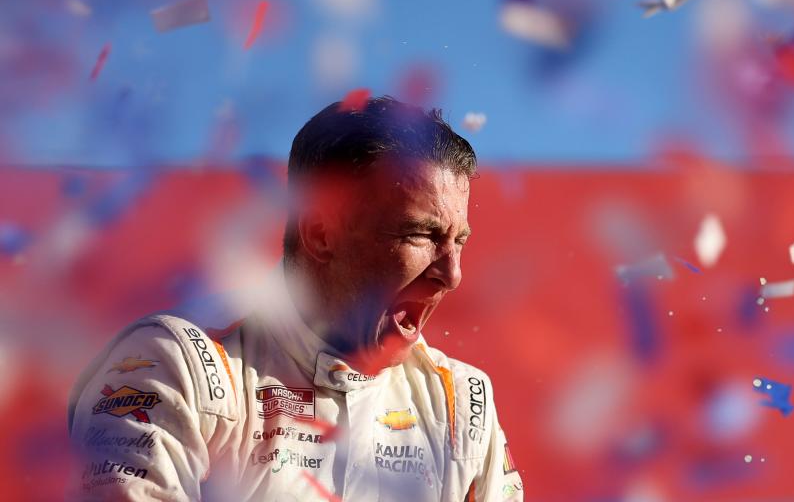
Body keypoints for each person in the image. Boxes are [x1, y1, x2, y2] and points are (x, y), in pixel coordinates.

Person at [67, 96, 524, 501]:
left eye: (458, 240)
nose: (452, 274)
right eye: (420, 234)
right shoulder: (178, 362)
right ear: (322, 233)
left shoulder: (462, 403)